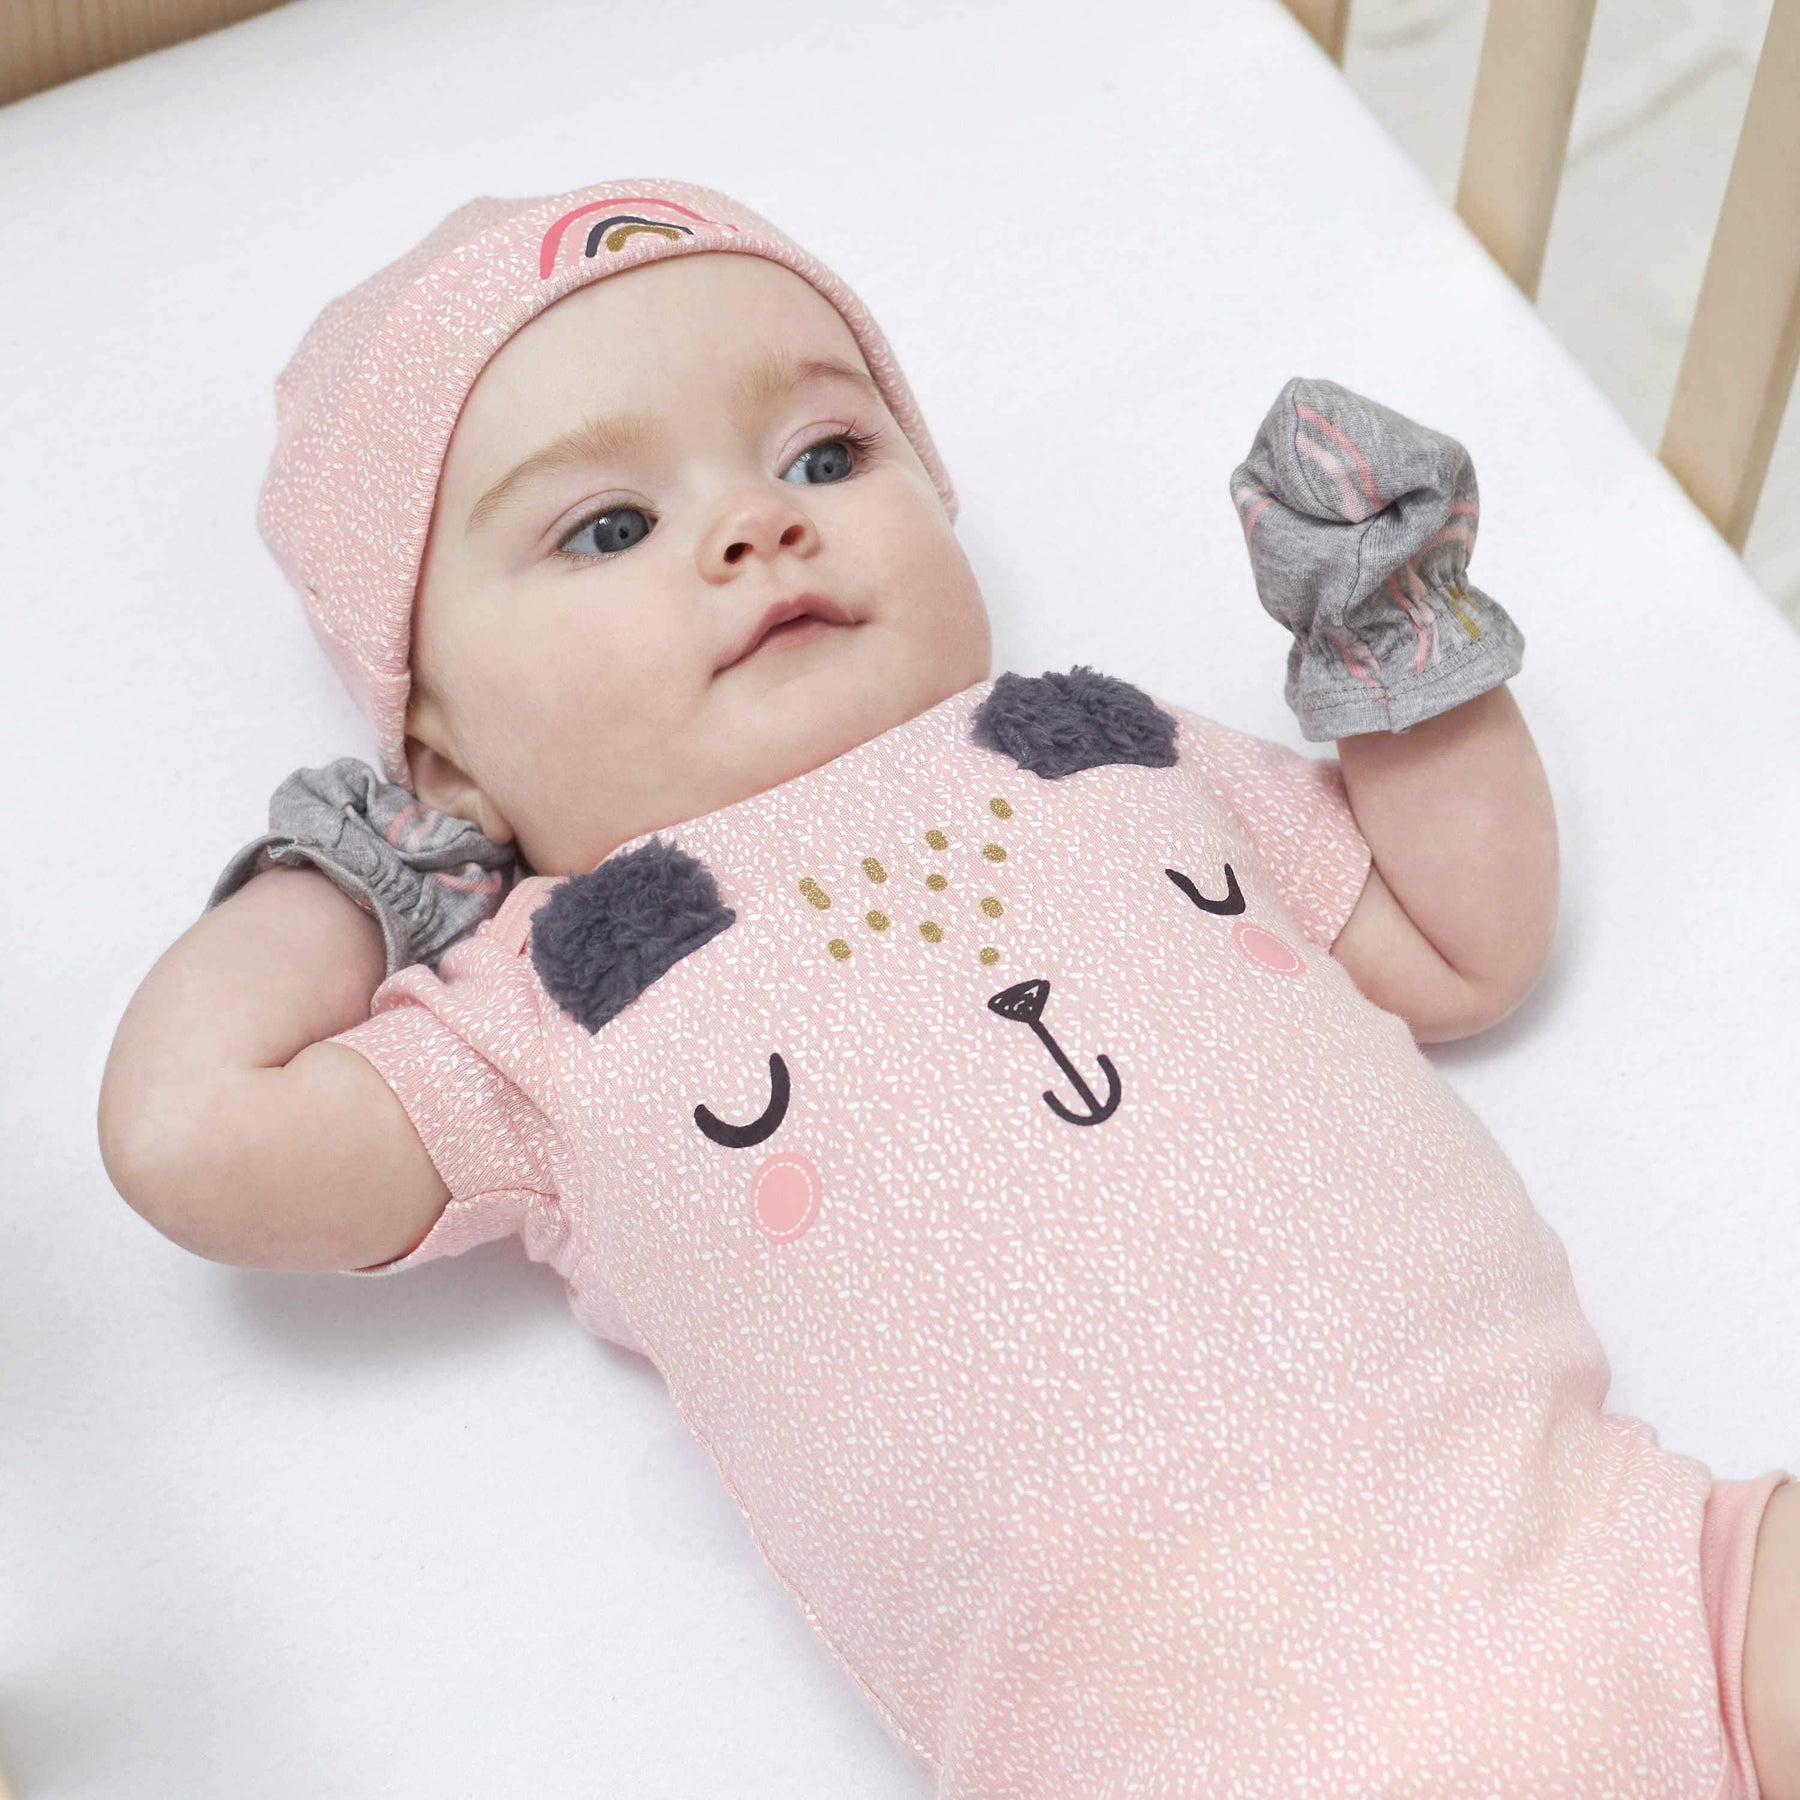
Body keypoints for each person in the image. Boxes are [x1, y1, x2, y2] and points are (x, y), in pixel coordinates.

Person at [95, 177, 1800, 1798]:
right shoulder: (548, 1005)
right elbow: (191, 1138)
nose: (759, 524)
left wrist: (1394, 638)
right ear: (439, 743)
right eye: (610, 525)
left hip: (1643, 1577)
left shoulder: (1105, 746)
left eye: (826, 453)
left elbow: (1465, 941)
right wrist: (361, 883)